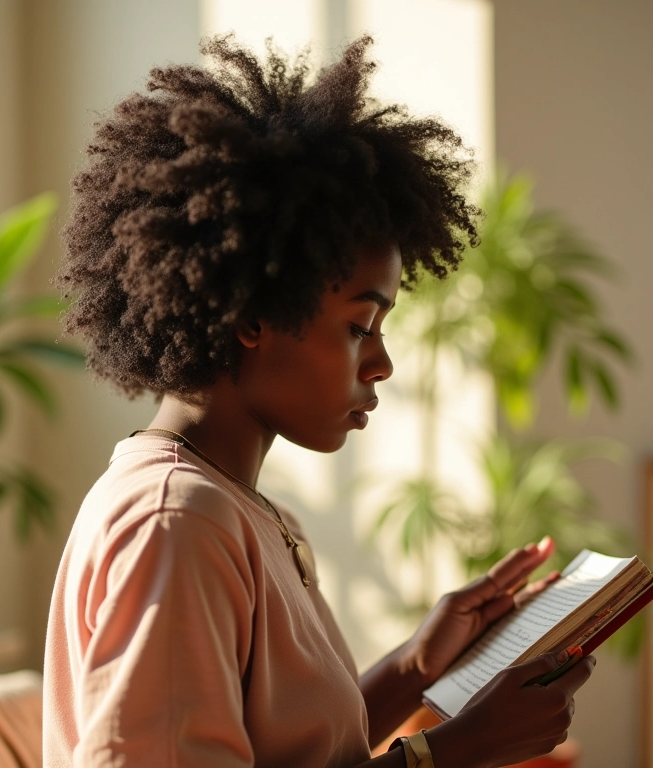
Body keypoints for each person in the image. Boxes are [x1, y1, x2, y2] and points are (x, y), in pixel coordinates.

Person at [43, 34, 595, 768]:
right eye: (360, 326)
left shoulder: (242, 513)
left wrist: (415, 668)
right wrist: (450, 753)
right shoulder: (176, 523)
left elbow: (300, 752)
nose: (383, 363)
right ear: (251, 317)